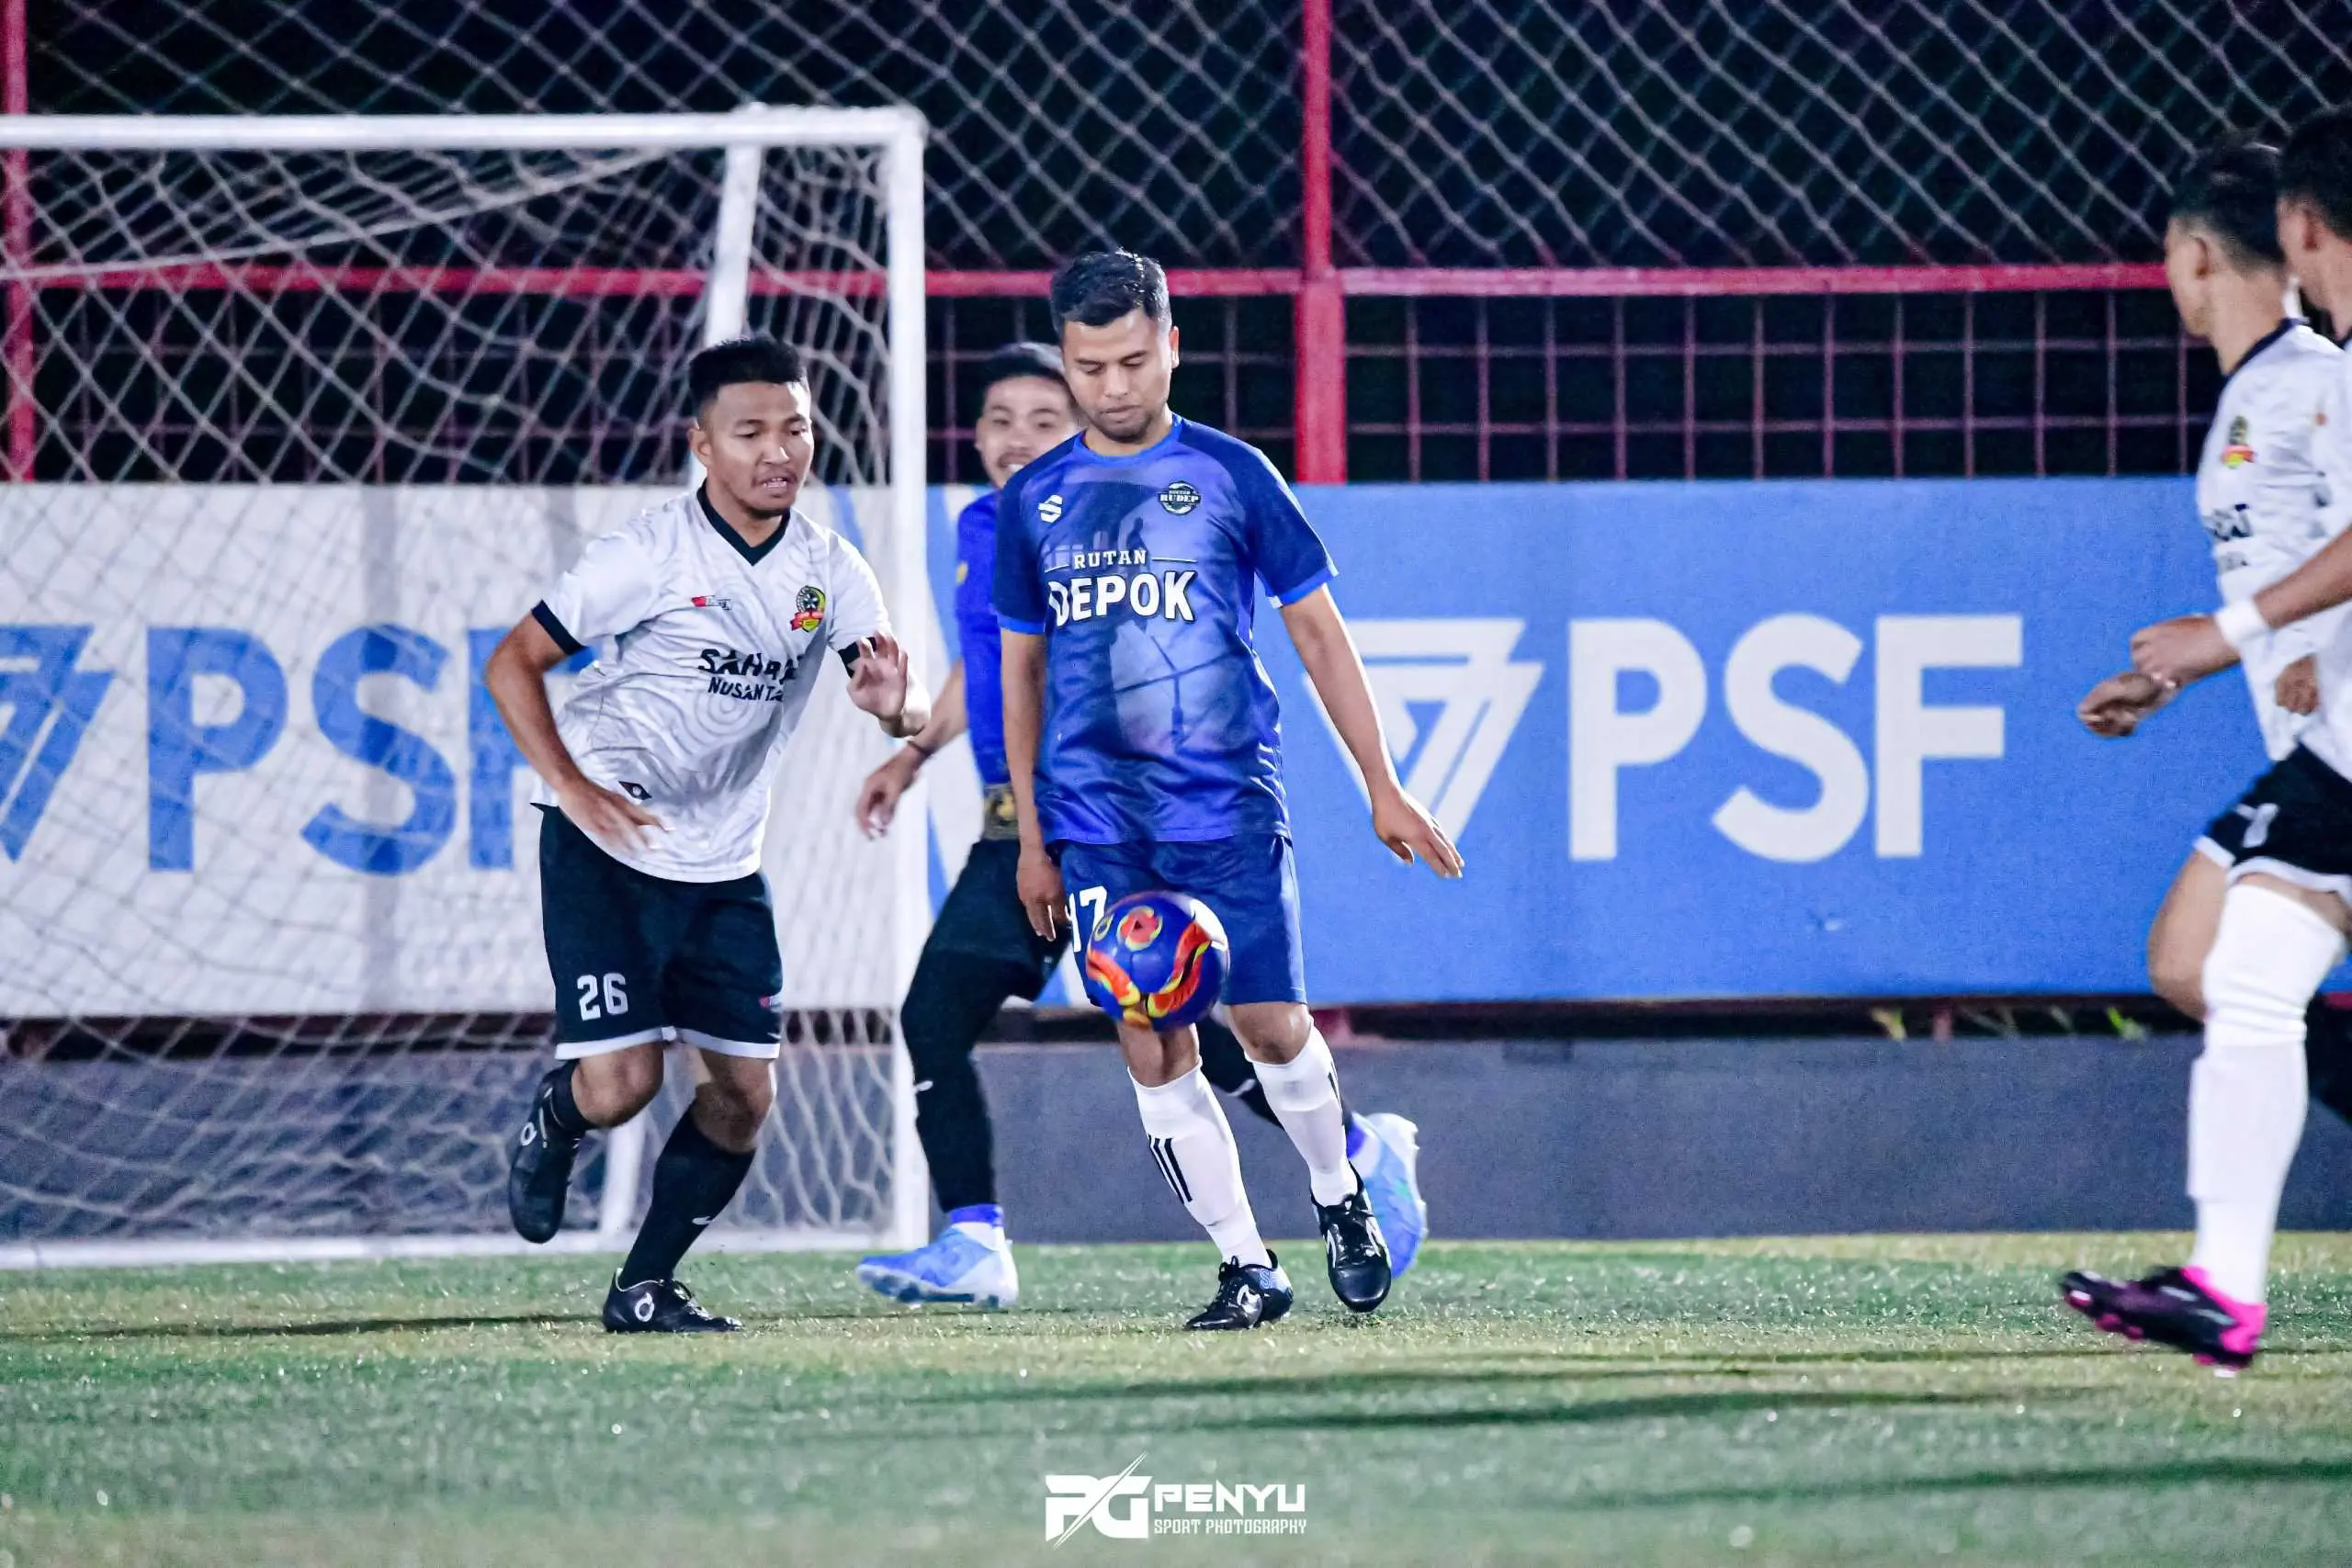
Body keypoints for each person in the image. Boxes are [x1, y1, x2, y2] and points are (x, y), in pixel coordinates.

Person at [850, 344, 1430, 1309]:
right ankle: (997, 1240)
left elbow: (1282, 629)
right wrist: (916, 753)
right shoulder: (989, 525)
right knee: (1022, 1018)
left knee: (1235, 1019)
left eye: (1041, 418)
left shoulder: (1171, 489)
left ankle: (1353, 1163)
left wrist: (1380, 780)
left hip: (1162, 807)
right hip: (1040, 825)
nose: (1016, 438)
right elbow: (994, 667)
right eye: (998, 419)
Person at [996, 251, 1463, 1330]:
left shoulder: (1232, 475)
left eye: (1130, 360)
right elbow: (1021, 672)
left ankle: (1341, 1195)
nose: (1111, 387)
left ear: (1172, 345)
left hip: (1223, 802)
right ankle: (1245, 1264)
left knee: (1266, 1022)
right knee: (1145, 1032)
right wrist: (1032, 836)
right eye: (1088, 367)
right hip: (1098, 819)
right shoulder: (1037, 501)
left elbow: (1317, 635)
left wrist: (1381, 786)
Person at [488, 336, 929, 1334]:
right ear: (702, 445)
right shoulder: (648, 554)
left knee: (743, 1097)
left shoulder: (828, 568)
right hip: (605, 845)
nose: (780, 451)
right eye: (752, 432)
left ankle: (642, 1286)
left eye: (796, 429)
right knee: (621, 1087)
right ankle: (559, 1115)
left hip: (724, 865)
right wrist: (572, 785)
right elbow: (512, 662)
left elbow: (896, 702)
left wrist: (895, 711)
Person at [2068, 118, 2352, 1371]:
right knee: (2215, 967)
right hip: (2328, 744)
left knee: (2228, 971)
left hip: (2338, 747)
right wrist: (2187, 665)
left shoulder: (2312, 380)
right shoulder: (2269, 391)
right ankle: (2220, 1288)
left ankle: (2223, 1285)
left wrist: (2230, 631)